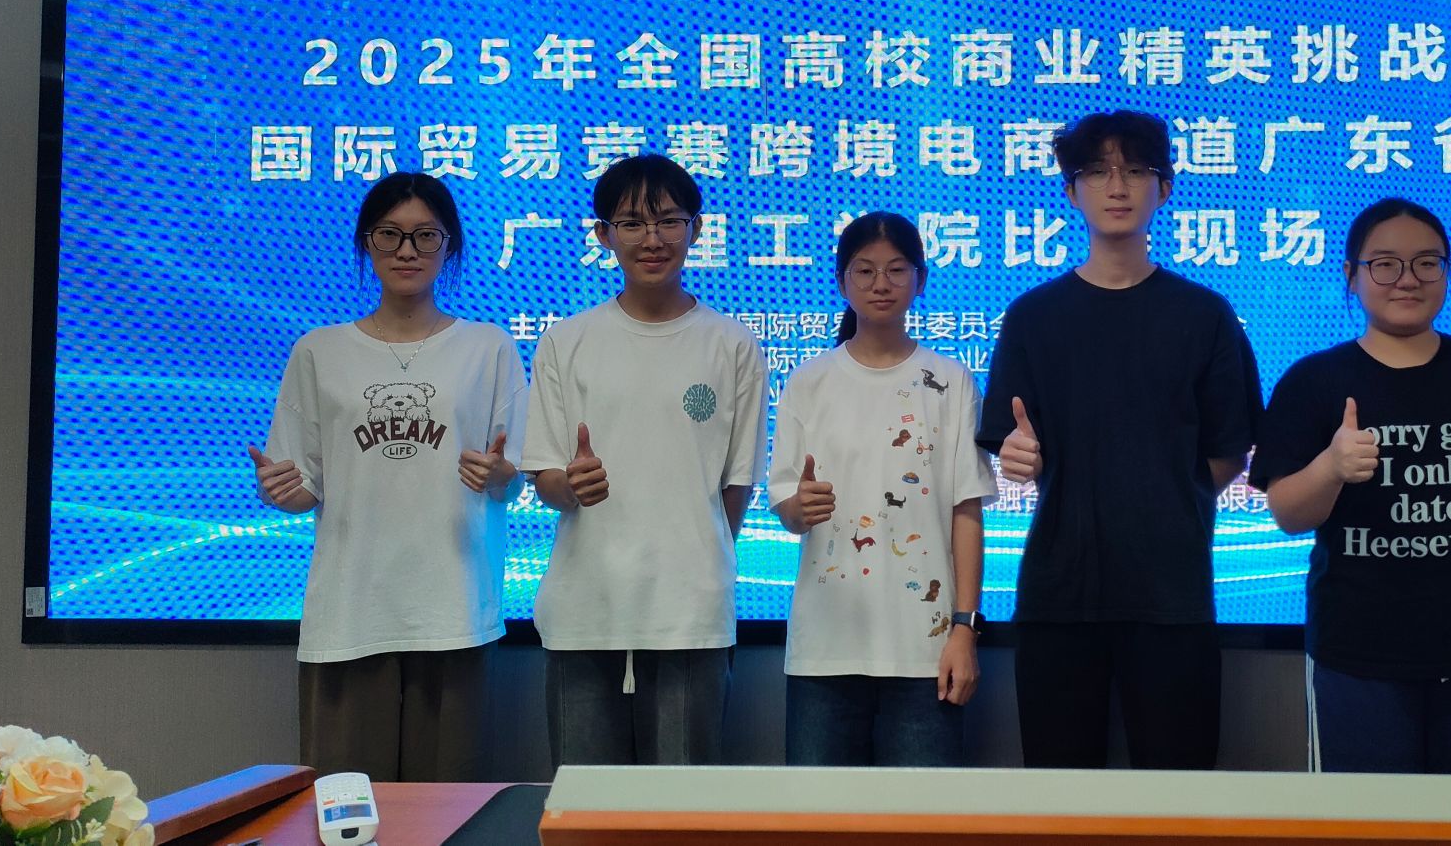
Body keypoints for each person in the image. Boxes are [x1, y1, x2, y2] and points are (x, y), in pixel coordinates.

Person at [1248, 197, 1451, 846]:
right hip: (1358, 658)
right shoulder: (1314, 381)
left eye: (1427, 263)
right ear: (1351, 275)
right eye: (1385, 263)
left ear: (1448, 272)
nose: (1407, 279)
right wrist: (1332, 466)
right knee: (1368, 835)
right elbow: (1287, 512)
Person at [976, 110, 1262, 769]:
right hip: (1059, 592)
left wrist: (1166, 494)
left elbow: (1229, 448)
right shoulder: (1034, 316)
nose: (1117, 186)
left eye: (1135, 170)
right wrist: (1018, 457)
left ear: (1165, 188)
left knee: (1179, 795)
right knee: (1061, 796)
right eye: (1097, 171)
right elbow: (1010, 442)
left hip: (1172, 595)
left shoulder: (1204, 314)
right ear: (1070, 191)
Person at [251, 171, 525, 782]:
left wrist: (502, 472)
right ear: (365, 244)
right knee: (349, 811)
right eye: (389, 235)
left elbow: (513, 481)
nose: (407, 251)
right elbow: (303, 487)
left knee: (447, 809)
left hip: (452, 610)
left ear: (449, 246)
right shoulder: (319, 350)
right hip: (351, 612)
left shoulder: (489, 347)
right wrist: (282, 493)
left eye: (426, 235)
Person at [519, 153, 767, 766]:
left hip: (690, 614)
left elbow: (735, 486)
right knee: (586, 802)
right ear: (603, 235)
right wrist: (570, 485)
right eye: (631, 223)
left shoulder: (732, 344)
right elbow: (544, 475)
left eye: (668, 221)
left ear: (696, 230)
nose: (652, 240)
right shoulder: (566, 341)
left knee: (681, 805)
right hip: (585, 609)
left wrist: (693, 561)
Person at [767, 212, 996, 766]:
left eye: (897, 270)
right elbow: (787, 509)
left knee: (922, 813)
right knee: (818, 813)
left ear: (920, 280)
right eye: (865, 270)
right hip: (826, 651)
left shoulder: (951, 381)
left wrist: (964, 629)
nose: (881, 284)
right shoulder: (809, 381)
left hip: (926, 651)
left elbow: (966, 513)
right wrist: (800, 507)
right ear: (842, 282)